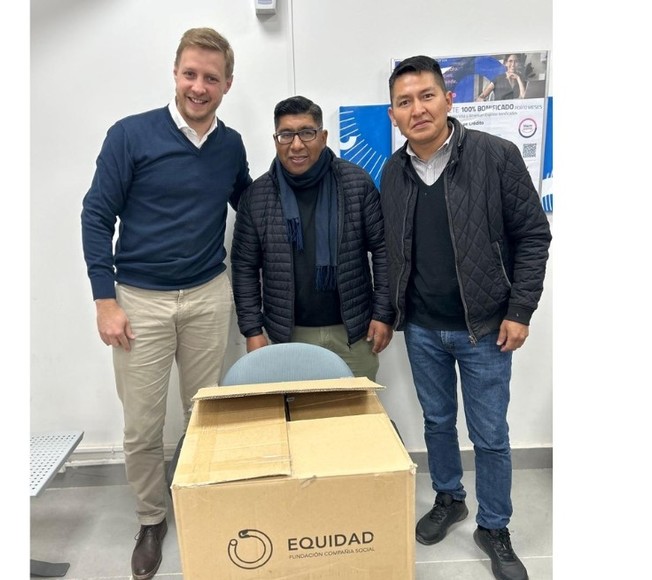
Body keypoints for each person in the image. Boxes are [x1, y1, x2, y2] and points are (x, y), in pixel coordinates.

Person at [80, 28, 251, 580]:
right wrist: (105, 301)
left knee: (205, 413)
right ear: (175, 74)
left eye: (211, 78)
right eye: (190, 74)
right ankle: (152, 519)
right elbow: (96, 215)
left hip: (207, 295)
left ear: (227, 84)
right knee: (142, 426)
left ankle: (197, 498)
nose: (199, 87)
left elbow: (250, 202)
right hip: (139, 302)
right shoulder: (130, 136)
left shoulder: (230, 145)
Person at [382, 55, 551, 580]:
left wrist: (520, 310)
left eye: (426, 96)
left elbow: (533, 236)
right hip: (422, 328)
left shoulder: (495, 156)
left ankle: (493, 526)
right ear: (393, 114)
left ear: (448, 99)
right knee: (436, 421)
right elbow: (391, 252)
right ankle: (449, 498)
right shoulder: (392, 172)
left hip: (486, 328)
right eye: (405, 102)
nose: (417, 109)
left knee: (490, 435)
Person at [231, 95, 394, 381]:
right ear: (275, 140)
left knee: (358, 409)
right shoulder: (257, 196)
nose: (296, 145)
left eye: (306, 132)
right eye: (286, 135)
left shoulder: (357, 184)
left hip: (354, 334)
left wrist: (383, 314)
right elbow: (244, 267)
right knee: (297, 410)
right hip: (287, 336)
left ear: (323, 136)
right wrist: (253, 331)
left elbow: (383, 251)